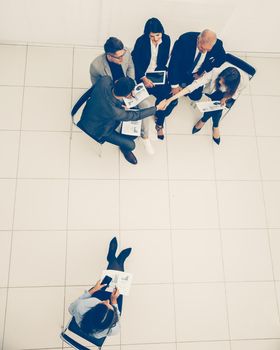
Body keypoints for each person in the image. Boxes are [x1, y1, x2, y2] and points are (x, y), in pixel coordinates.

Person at [74, 76, 166, 165]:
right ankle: (125, 149)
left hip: (89, 113)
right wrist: (157, 108)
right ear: (127, 95)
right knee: (131, 145)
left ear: (116, 82)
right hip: (98, 130)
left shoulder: (105, 80)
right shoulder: (116, 112)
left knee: (131, 129)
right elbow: (136, 115)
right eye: (132, 92)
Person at [90, 37, 155, 154]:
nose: (123, 58)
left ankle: (145, 137)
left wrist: (131, 85)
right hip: (114, 95)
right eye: (119, 57)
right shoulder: (96, 66)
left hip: (128, 88)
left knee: (146, 104)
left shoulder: (125, 53)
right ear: (109, 56)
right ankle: (125, 144)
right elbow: (98, 89)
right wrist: (119, 98)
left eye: (123, 54)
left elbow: (130, 67)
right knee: (121, 118)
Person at [165, 66, 246, 144]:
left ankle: (204, 120)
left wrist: (225, 98)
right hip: (214, 92)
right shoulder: (215, 72)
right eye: (221, 79)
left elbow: (234, 94)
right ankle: (215, 126)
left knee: (217, 107)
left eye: (223, 82)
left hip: (227, 95)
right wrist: (170, 99)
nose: (220, 82)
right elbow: (194, 85)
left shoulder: (242, 83)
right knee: (217, 108)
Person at [69, 237, 131, 338]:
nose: (107, 301)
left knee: (108, 280)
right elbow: (117, 317)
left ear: (91, 310)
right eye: (109, 305)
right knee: (118, 286)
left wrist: (93, 289)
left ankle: (114, 260)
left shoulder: (82, 307)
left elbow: (70, 309)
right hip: (110, 307)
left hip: (95, 298)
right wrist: (114, 302)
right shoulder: (113, 329)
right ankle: (116, 260)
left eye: (103, 304)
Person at [132, 17, 177, 140]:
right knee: (135, 100)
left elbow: (164, 61)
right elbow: (135, 61)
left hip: (157, 75)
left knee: (169, 98)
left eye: (158, 35)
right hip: (143, 76)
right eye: (152, 36)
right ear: (147, 34)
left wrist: (164, 75)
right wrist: (143, 78)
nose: (156, 39)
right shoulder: (141, 41)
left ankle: (159, 122)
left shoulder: (166, 39)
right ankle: (138, 124)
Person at [168, 29, 226, 101]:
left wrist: (204, 71)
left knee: (196, 96)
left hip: (196, 73)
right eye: (202, 48)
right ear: (198, 39)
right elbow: (174, 63)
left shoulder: (218, 45)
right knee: (171, 92)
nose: (204, 51)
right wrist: (174, 86)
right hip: (181, 70)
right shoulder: (184, 40)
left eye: (207, 50)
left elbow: (222, 58)